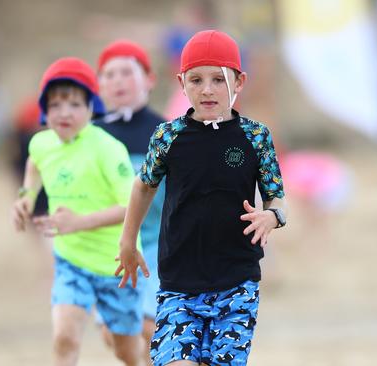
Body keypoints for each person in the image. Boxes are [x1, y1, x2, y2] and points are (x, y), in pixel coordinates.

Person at [116, 30, 287, 366]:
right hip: (178, 284)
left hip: (237, 284)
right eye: (196, 80)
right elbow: (143, 186)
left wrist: (272, 217)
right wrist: (127, 240)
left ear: (239, 82)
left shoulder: (256, 137)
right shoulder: (168, 137)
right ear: (181, 83)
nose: (207, 89)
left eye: (218, 80)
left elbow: (277, 198)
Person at [10, 57, 144, 365]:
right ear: (45, 110)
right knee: (64, 337)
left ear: (91, 107)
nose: (64, 113)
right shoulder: (41, 143)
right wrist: (26, 198)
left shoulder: (109, 149)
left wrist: (78, 223)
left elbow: (131, 207)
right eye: (55, 105)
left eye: (73, 104)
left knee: (126, 351)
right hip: (71, 262)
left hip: (117, 264)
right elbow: (34, 165)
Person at [94, 39, 165, 364]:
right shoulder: (90, 136)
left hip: (156, 246)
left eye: (126, 72)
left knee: (150, 327)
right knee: (114, 336)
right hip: (107, 248)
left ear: (149, 80)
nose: (118, 81)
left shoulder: (166, 133)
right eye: (109, 74)